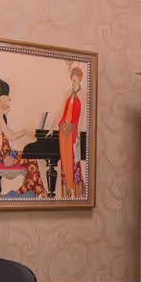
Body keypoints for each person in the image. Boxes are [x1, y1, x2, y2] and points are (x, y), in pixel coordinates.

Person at [57, 62, 85, 199]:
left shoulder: (82, 94)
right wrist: (51, 128)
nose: (74, 78)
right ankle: (66, 193)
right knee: (65, 160)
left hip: (73, 131)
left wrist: (79, 133)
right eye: (72, 76)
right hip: (63, 131)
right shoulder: (68, 93)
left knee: (74, 159)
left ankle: (76, 193)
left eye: (76, 76)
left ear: (80, 78)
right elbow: (61, 112)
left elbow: (83, 115)